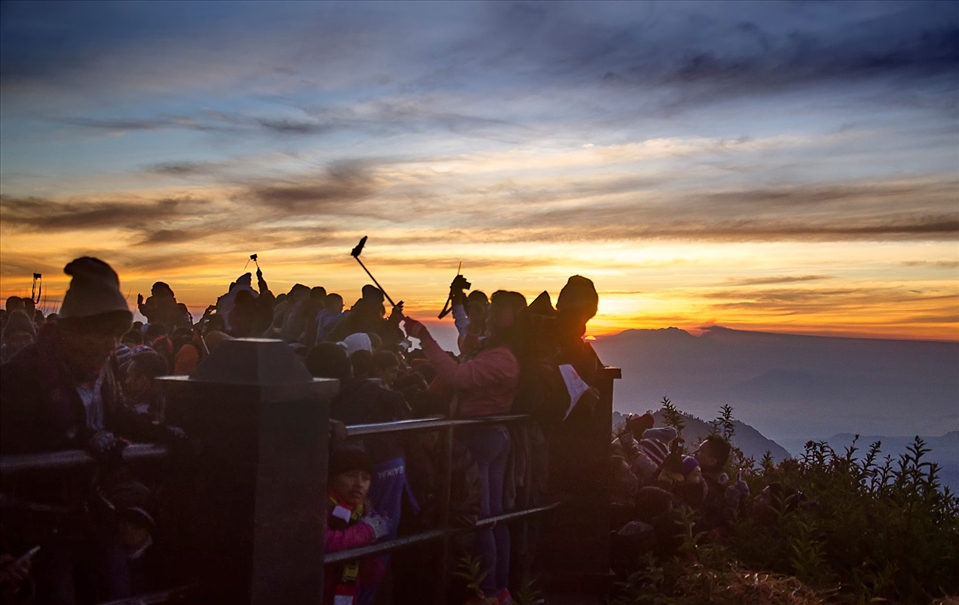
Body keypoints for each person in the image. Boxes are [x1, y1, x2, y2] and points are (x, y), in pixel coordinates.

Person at [404, 290, 527, 605]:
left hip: (479, 437)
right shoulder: (503, 352)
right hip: (494, 436)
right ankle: (500, 589)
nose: (489, 313)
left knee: (482, 518)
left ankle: (487, 592)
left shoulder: (501, 357)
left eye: (494, 310)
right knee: (495, 517)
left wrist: (424, 338)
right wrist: (468, 321)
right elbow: (467, 350)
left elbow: (458, 376)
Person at [324, 446, 388, 605]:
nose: (359, 484)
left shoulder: (364, 512)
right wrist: (366, 533)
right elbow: (325, 541)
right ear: (333, 478)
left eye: (366, 478)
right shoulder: (318, 506)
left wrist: (370, 548)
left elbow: (372, 577)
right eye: (350, 475)